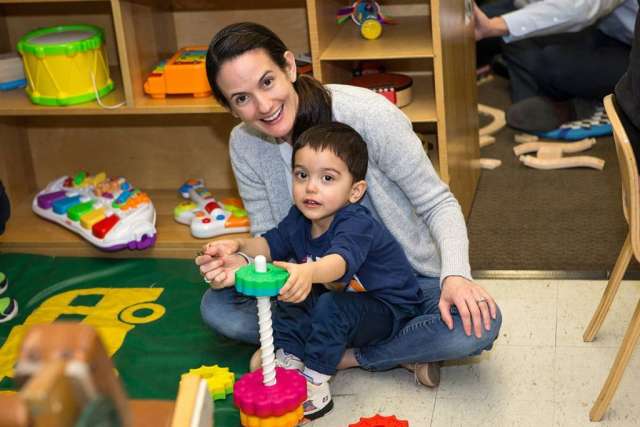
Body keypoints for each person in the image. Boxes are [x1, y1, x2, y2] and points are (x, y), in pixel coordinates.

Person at [195, 22, 501, 388]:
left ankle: (345, 357)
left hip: (402, 283)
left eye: (267, 82)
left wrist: (455, 275)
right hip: (316, 284)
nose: (263, 105)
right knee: (219, 309)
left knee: (479, 325)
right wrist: (244, 260)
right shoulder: (244, 145)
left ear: (289, 67)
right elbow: (272, 235)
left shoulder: (368, 115)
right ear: (229, 107)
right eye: (241, 98)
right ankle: (401, 349)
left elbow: (438, 203)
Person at [201, 122, 426, 419]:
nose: (311, 187)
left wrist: (308, 272)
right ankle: (290, 359)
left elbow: (339, 262)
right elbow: (269, 244)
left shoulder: (356, 222)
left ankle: (316, 382)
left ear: (355, 191)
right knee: (292, 293)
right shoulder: (299, 217)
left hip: (389, 308)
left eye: (328, 178)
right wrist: (238, 248)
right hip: (344, 305)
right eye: (302, 175)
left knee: (329, 303)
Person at [474, 0, 638, 134]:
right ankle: (541, 98)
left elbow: (582, 7)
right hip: (606, 28)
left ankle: (582, 106)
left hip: (631, 48)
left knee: (553, 63)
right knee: (492, 26)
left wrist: (496, 25)